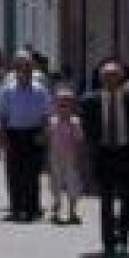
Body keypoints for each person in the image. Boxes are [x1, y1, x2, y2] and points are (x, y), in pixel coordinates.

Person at [83, 60, 129, 258]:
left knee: (128, 198)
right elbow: (88, 130)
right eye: (106, 76)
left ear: (121, 78)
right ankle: (108, 241)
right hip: (104, 154)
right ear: (101, 79)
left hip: (126, 152)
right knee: (106, 200)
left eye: (114, 76)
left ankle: (124, 237)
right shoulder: (90, 101)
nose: (110, 80)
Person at [0, 51, 51, 222]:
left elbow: (46, 114)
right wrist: (1, 136)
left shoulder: (40, 90)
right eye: (20, 67)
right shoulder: (7, 90)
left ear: (32, 68)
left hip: (34, 133)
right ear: (15, 69)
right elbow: (1, 115)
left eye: (27, 67)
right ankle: (17, 208)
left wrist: (44, 133)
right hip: (13, 133)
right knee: (15, 173)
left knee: (32, 173)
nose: (24, 70)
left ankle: (33, 208)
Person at [46, 88, 84, 225]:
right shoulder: (52, 122)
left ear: (72, 106)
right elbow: (48, 139)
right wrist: (47, 159)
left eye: (67, 104)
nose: (63, 108)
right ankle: (56, 208)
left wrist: (79, 158)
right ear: (55, 105)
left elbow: (79, 141)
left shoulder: (75, 122)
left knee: (72, 183)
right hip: (55, 156)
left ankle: (72, 211)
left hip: (71, 157)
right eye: (60, 104)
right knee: (55, 183)